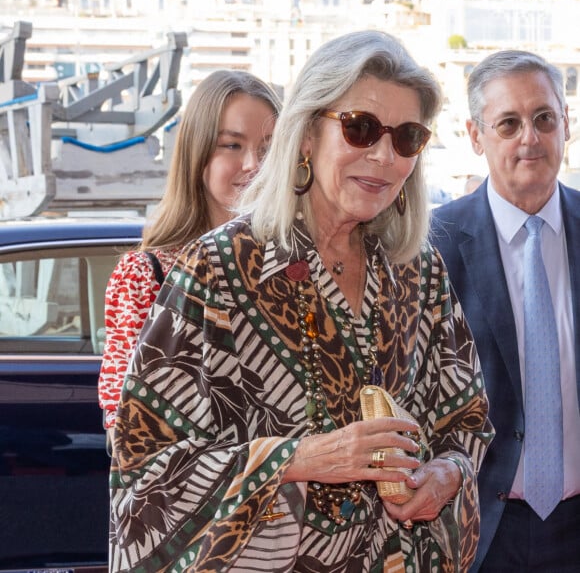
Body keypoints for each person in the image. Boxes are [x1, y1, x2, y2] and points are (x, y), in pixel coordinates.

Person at [109, 30, 493, 573]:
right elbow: (144, 467)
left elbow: (469, 424)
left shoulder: (418, 272)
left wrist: (446, 475)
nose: (384, 155)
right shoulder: (218, 269)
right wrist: (300, 458)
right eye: (361, 129)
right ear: (308, 133)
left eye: (407, 137)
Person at [431, 50, 580, 572]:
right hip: (478, 529)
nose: (529, 139)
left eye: (544, 118)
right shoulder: (434, 245)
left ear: (567, 123)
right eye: (509, 123)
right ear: (476, 136)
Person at [97, 69, 281, 441]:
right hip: (198, 495)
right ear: (197, 154)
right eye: (232, 145)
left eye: (268, 148)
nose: (253, 165)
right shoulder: (145, 274)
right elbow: (126, 427)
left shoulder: (294, 265)